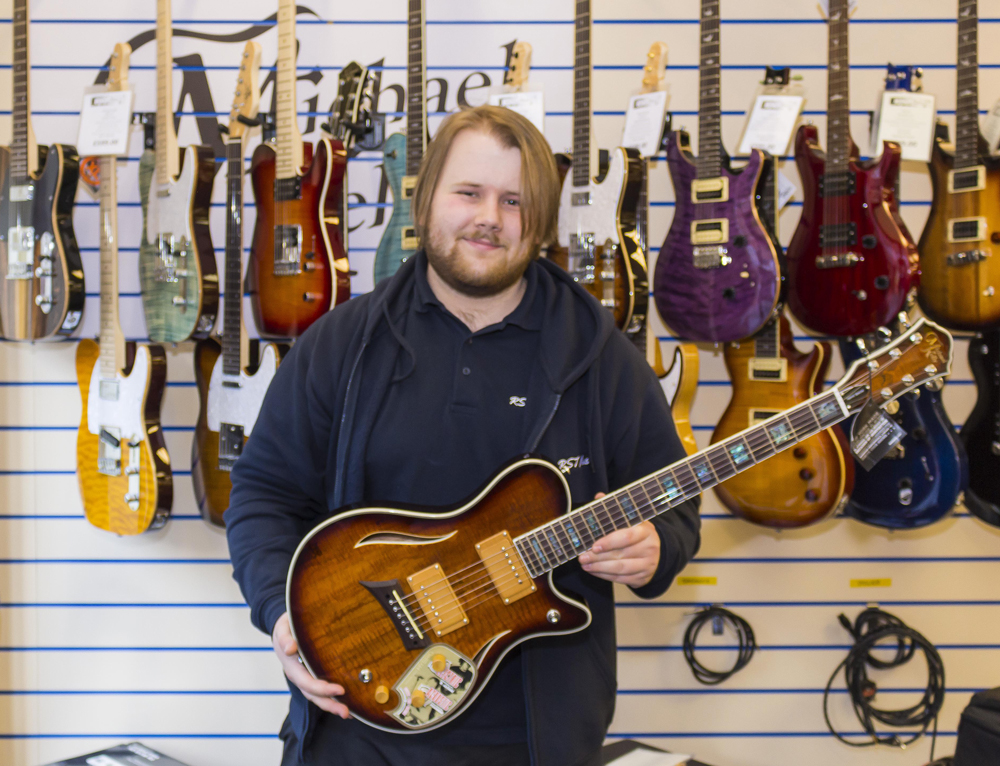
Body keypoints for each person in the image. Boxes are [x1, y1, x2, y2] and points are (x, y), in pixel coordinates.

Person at [225, 105, 701, 766]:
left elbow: (675, 507)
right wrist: (285, 615)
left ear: (539, 220)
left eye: (514, 200)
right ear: (425, 201)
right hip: (354, 728)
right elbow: (262, 494)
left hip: (533, 738)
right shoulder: (342, 343)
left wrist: (658, 548)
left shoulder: (601, 357)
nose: (490, 218)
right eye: (469, 193)